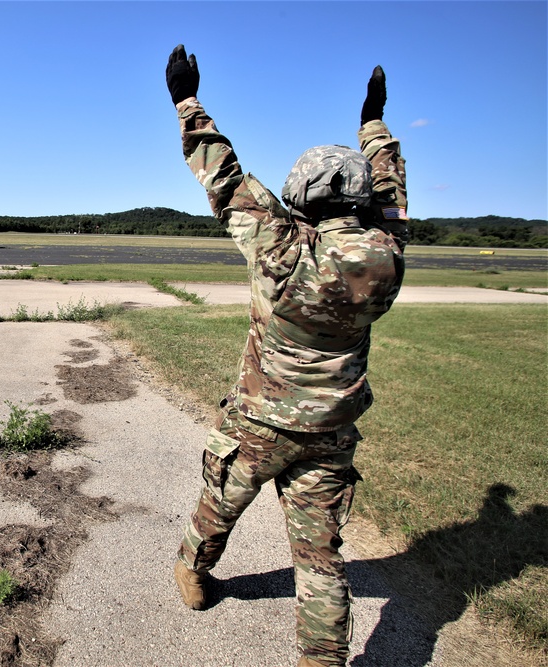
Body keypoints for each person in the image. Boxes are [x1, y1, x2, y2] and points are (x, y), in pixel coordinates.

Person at [165, 44, 408, 667]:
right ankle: (322, 659)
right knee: (321, 555)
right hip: (330, 430)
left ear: (302, 195)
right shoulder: (386, 253)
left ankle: (194, 576)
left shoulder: (281, 245)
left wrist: (187, 101)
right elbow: (390, 196)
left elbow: (225, 177)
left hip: (258, 422)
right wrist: (374, 125)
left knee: (218, 504)